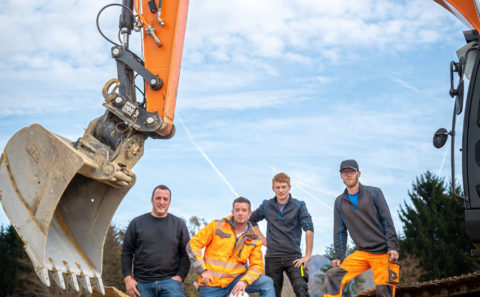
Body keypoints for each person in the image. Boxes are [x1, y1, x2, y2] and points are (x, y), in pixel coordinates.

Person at [323, 159, 400, 297]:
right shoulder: (339, 202)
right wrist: (340, 256)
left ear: (358, 173)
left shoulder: (374, 193)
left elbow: (387, 221)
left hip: (383, 253)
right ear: (341, 176)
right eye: (345, 172)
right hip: (362, 253)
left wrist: (392, 247)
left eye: (351, 171)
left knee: (384, 291)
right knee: (333, 276)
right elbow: (339, 232)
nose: (348, 175)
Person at [187, 196, 275, 297]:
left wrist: (244, 281)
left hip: (236, 280)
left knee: (267, 282)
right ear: (232, 212)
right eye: (237, 210)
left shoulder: (254, 238)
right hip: (211, 283)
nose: (240, 213)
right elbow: (192, 244)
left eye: (244, 210)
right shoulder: (216, 225)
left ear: (249, 213)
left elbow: (257, 266)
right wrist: (202, 271)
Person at [249, 173, 314, 297]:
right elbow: (251, 220)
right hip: (272, 257)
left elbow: (309, 228)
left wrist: (307, 255)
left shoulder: (299, 205)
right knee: (272, 293)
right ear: (273, 188)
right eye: (277, 187)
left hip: (294, 258)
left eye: (283, 187)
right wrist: (261, 238)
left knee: (301, 289)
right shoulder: (267, 205)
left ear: (289, 187)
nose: (280, 190)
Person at [121, 185, 190, 297]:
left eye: (165, 199)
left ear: (169, 201)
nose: (161, 202)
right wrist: (128, 278)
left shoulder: (179, 224)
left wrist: (179, 277)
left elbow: (186, 253)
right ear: (151, 200)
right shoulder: (136, 223)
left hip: (171, 285)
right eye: (158, 198)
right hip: (142, 285)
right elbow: (126, 252)